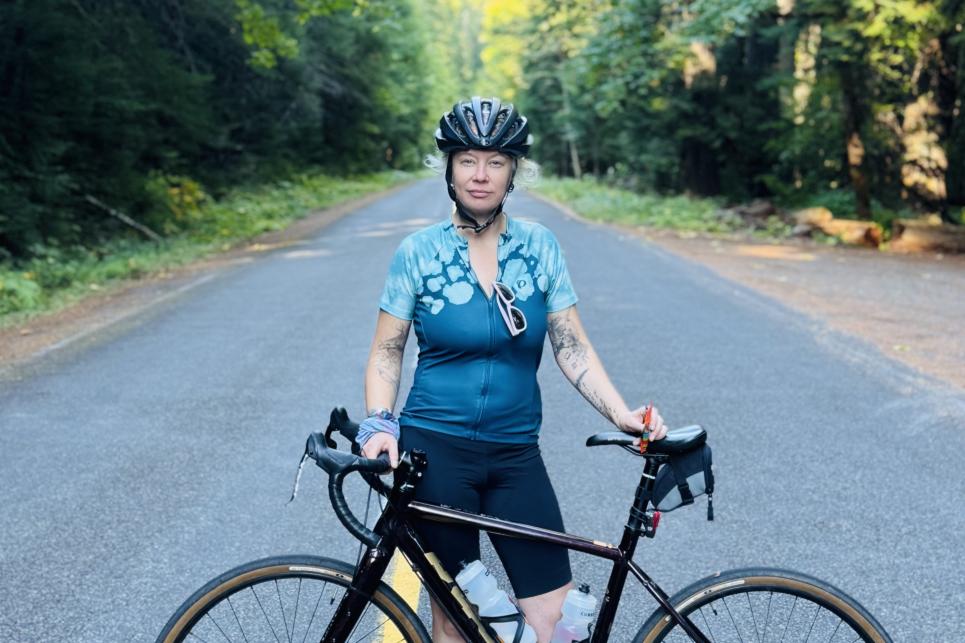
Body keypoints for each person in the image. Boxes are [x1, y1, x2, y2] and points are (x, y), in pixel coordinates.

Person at [358, 96, 667, 643]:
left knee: (552, 625)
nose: (480, 175)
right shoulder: (418, 253)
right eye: (468, 160)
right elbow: (388, 351)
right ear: (449, 167)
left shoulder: (539, 247)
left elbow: (570, 347)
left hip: (515, 454)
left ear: (513, 172)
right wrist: (381, 422)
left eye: (495, 161)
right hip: (436, 453)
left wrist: (623, 414)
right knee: (459, 622)